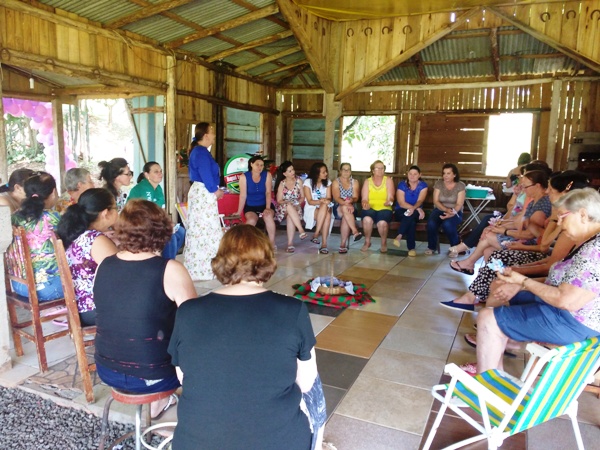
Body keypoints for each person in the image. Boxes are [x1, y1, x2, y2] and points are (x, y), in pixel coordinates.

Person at [168, 225, 324, 450]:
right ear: (267, 260)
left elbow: (183, 377)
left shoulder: (188, 312)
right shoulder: (293, 310)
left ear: (221, 260)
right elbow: (307, 383)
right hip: (278, 442)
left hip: (197, 442)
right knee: (315, 388)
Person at [476, 188, 600, 374]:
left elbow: (566, 300)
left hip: (574, 324)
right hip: (562, 312)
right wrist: (518, 283)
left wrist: (523, 281)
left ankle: (486, 380)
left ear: (582, 215)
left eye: (562, 217)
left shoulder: (594, 251)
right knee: (501, 289)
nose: (560, 224)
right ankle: (497, 359)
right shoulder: (588, 243)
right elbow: (562, 281)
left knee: (488, 318)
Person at [94, 200, 196, 418]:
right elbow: (195, 324)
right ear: (162, 230)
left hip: (107, 370)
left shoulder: (104, 265)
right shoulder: (170, 270)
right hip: (154, 375)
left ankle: (159, 402)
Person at [441, 170, 589, 313]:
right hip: (542, 256)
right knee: (492, 252)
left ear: (565, 195)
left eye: (551, 189)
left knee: (497, 256)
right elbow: (538, 237)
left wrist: (518, 271)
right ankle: (480, 295)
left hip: (542, 258)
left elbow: (545, 249)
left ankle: (475, 297)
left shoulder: (563, 220)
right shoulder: (552, 212)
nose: (547, 192)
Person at [449, 169, 551, 275]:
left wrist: (505, 231)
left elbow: (531, 234)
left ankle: (470, 264)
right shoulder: (533, 201)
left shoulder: (543, 204)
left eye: (526, 186)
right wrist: (497, 226)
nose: (523, 189)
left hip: (530, 244)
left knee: (488, 236)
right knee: (488, 250)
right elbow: (517, 220)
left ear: (537, 186)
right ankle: (489, 277)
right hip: (521, 236)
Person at [57, 188, 118, 326]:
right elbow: (123, 274)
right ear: (106, 213)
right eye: (116, 208)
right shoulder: (96, 240)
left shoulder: (77, 233)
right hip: (97, 310)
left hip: (81, 308)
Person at [10, 172, 63, 301]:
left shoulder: (14, 217)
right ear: (54, 192)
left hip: (20, 286)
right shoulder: (54, 218)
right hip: (50, 288)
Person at [184, 122, 224, 281]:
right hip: (204, 191)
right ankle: (203, 269)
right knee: (205, 228)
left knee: (205, 228)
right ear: (206, 135)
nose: (214, 135)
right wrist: (215, 190)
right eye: (212, 132)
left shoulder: (201, 151)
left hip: (203, 191)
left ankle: (206, 268)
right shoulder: (200, 152)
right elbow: (205, 173)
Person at [128, 162, 186, 260]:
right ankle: (166, 263)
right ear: (147, 174)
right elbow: (145, 215)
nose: (160, 174)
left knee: (180, 231)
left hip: (154, 223)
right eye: (156, 172)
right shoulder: (143, 188)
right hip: (139, 225)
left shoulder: (158, 188)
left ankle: (164, 259)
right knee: (170, 237)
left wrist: (168, 223)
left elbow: (162, 210)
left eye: (160, 171)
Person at [236, 156, 277, 248]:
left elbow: (268, 192)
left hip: (265, 204)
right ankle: (244, 243)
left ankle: (271, 243)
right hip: (251, 206)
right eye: (257, 165)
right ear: (251, 164)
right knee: (251, 220)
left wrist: (267, 208)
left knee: (268, 216)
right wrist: (239, 211)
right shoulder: (244, 177)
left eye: (262, 165)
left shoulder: (267, 175)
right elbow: (243, 195)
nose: (259, 167)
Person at [426, 163, 465, 255]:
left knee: (447, 224)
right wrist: (446, 210)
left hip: (455, 211)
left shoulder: (460, 185)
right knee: (431, 223)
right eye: (444, 173)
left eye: (448, 173)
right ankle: (432, 247)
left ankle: (455, 248)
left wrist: (451, 213)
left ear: (454, 174)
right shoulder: (439, 184)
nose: (445, 176)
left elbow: (459, 203)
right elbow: (436, 201)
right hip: (440, 209)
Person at [360, 160, 395, 253]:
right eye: (377, 168)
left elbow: (391, 197)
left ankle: (383, 243)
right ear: (373, 170)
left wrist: (389, 202)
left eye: (382, 168)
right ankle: (367, 242)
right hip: (370, 207)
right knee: (367, 220)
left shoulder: (388, 180)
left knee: (382, 223)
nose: (380, 170)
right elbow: (364, 198)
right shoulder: (367, 181)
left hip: (384, 207)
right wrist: (365, 204)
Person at [392, 165, 428, 256]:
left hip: (415, 212)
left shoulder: (423, 186)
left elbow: (420, 201)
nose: (412, 176)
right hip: (401, 210)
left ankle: (399, 235)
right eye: (410, 174)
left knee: (411, 217)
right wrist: (417, 208)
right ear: (407, 174)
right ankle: (411, 248)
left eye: (415, 174)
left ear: (420, 175)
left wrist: (414, 208)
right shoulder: (402, 185)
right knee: (411, 220)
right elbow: (401, 203)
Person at [274, 161, 307, 253]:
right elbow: (279, 200)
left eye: (293, 170)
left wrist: (297, 203)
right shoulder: (282, 183)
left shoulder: (299, 181)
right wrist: (288, 203)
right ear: (284, 174)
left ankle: (290, 244)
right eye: (290, 171)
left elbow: (302, 197)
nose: (293, 172)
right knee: (288, 206)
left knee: (290, 216)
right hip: (282, 207)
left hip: (296, 206)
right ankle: (301, 230)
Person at [331, 162, 362, 254]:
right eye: (344, 169)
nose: (346, 171)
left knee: (346, 216)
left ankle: (343, 245)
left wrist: (351, 201)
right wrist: (346, 204)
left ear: (350, 171)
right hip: (338, 207)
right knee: (345, 209)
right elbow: (337, 198)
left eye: (348, 170)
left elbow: (356, 197)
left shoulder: (354, 182)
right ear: (340, 171)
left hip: (351, 208)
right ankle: (355, 232)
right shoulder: (336, 182)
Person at [303, 163, 333, 255]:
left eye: (326, 171)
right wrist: (321, 201)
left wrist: (325, 201)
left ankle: (317, 234)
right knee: (326, 214)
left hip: (325, 207)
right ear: (316, 173)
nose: (326, 174)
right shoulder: (308, 182)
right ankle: (323, 244)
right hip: (311, 208)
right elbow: (310, 201)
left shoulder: (328, 182)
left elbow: (329, 197)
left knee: (326, 211)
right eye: (323, 172)